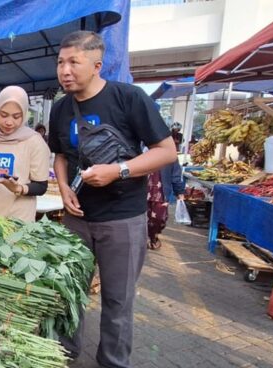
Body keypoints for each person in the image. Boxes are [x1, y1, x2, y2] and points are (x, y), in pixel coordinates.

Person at [48, 31, 176, 367]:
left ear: (97, 65)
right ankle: (66, 352)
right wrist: (63, 187)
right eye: (61, 62)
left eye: (74, 62)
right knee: (70, 291)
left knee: (118, 301)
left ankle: (113, 362)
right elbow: (60, 155)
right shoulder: (61, 109)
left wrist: (118, 171)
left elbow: (166, 152)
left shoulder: (129, 98)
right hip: (76, 219)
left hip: (122, 219)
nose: (65, 70)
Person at [0, 86, 50, 222]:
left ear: (24, 115)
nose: (9, 122)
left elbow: (41, 186)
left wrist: (18, 188)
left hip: (18, 219)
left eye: (16, 117)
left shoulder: (34, 141)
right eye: (3, 115)